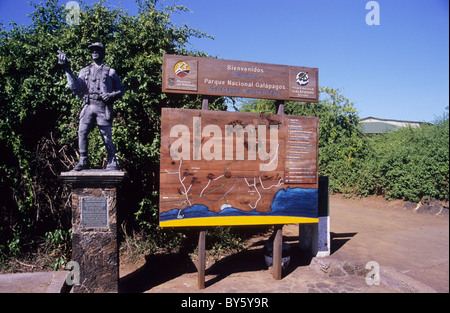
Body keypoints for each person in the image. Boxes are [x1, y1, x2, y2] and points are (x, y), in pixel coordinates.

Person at [58, 43, 124, 171]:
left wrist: (111, 95)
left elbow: (121, 89)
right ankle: (83, 160)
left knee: (106, 135)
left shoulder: (110, 71)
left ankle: (112, 160)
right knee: (82, 132)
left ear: (103, 52)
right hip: (88, 105)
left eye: (97, 50)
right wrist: (68, 69)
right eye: (92, 50)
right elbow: (75, 89)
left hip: (102, 106)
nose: (94, 52)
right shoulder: (84, 71)